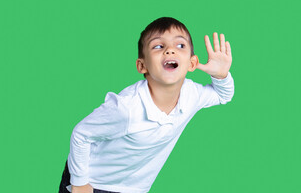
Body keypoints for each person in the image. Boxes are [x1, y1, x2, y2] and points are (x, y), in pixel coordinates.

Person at [59, 17, 234, 193]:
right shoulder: (127, 108)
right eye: (158, 46)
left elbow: (223, 95)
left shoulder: (192, 95)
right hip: (93, 183)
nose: (170, 51)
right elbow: (81, 134)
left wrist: (221, 75)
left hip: (134, 189)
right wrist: (80, 183)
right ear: (142, 66)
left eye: (180, 46)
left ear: (192, 63)